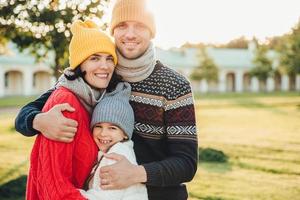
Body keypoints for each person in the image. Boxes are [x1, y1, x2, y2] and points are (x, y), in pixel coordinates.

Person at [15, 0, 198, 199]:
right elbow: (28, 112)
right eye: (122, 26)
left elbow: (186, 164)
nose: (130, 34)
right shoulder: (101, 73)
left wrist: (136, 174)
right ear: (113, 31)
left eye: (140, 26)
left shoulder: (174, 84)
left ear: (151, 32)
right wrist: (37, 120)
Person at [25, 19, 120, 199]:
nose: (105, 66)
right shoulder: (66, 103)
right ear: (79, 64)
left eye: (109, 58)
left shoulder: (96, 99)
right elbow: (53, 188)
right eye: (94, 58)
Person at [79, 82, 148, 200]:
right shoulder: (112, 149)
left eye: (112, 128)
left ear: (125, 134)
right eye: (98, 126)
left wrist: (71, 193)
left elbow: (106, 196)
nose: (103, 133)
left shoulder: (117, 155)